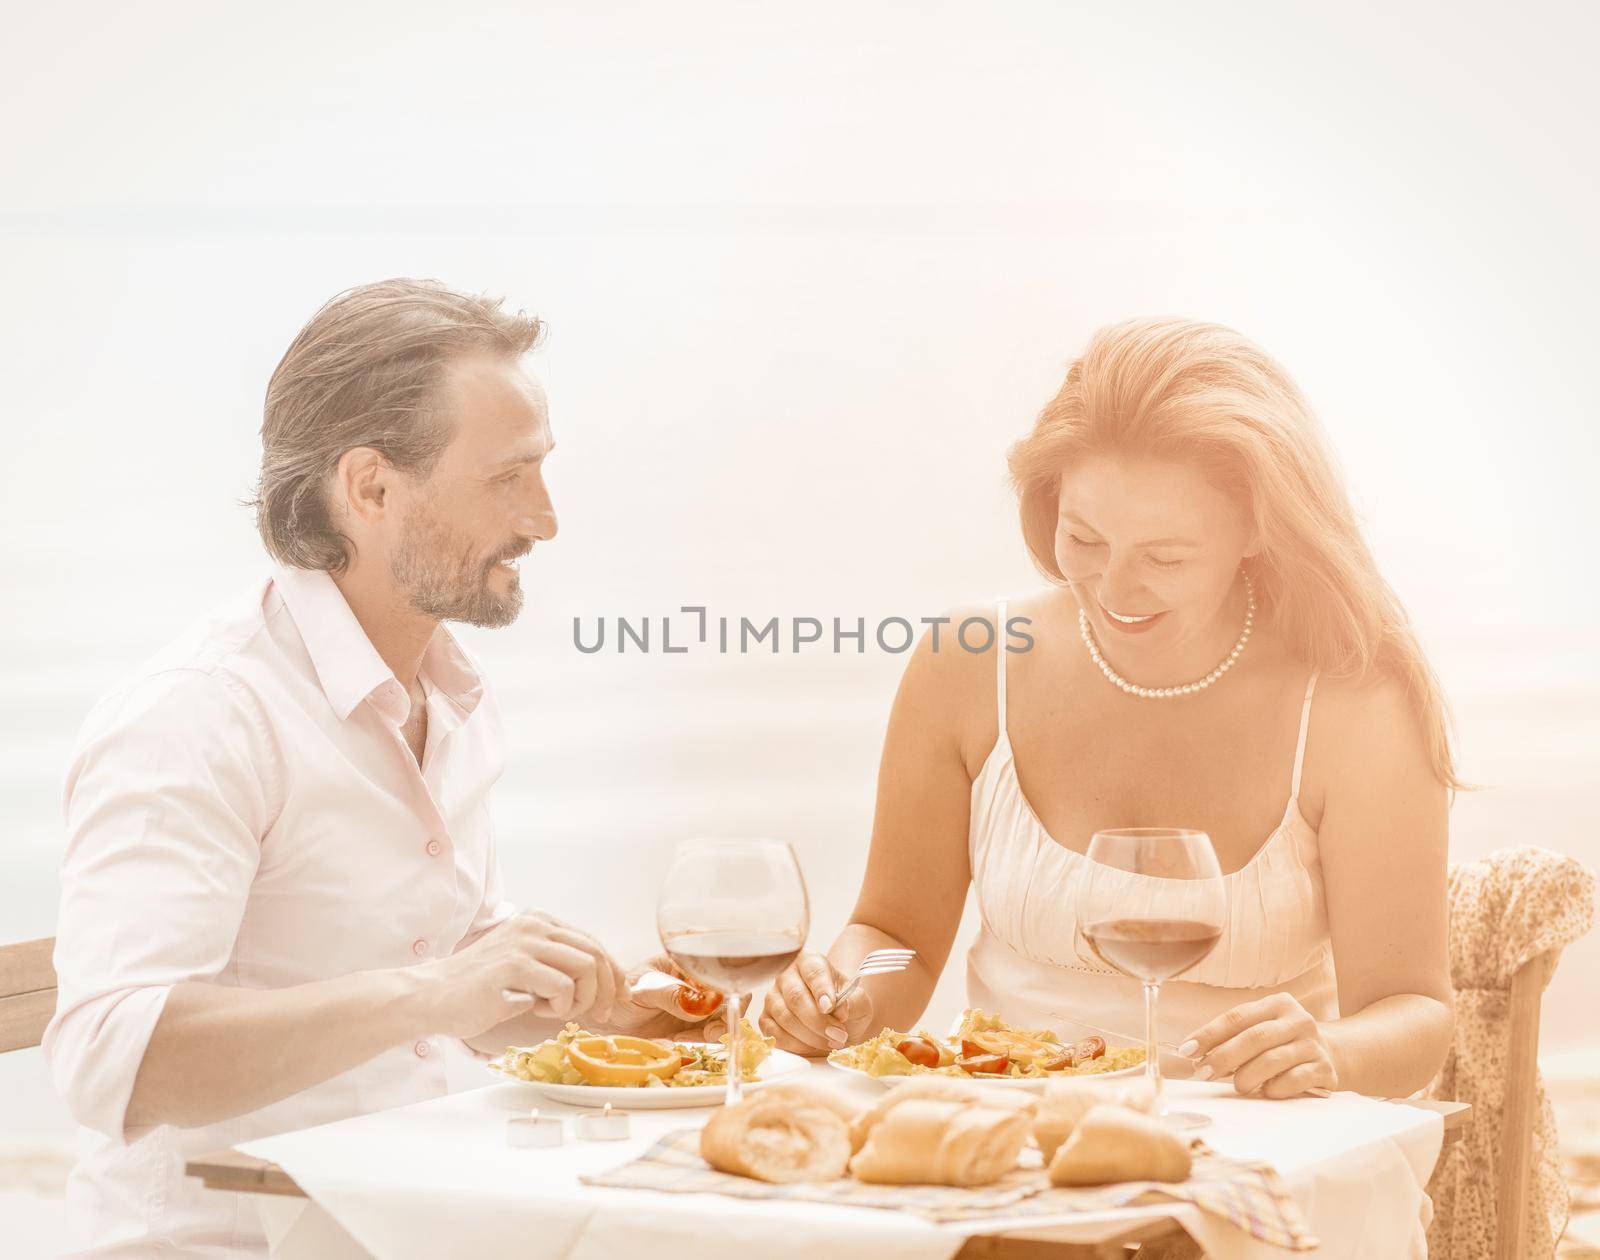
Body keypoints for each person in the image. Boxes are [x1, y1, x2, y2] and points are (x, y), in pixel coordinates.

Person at [45, 279, 715, 1259]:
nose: (545, 519)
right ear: (368, 489)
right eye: (506, 478)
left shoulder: (449, 695)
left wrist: (584, 997)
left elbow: (428, 968)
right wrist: (444, 992)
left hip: (405, 1221)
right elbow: (114, 1060)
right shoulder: (202, 716)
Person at [760, 317, 1456, 1101]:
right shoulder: (967, 660)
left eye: (1166, 557)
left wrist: (1332, 1052)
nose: (1114, 592)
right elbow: (897, 940)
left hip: (1272, 1140)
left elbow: (1414, 1013)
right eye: (1085, 539)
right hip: (1012, 1127)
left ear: (1258, 528)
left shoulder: (1352, 704)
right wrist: (842, 997)